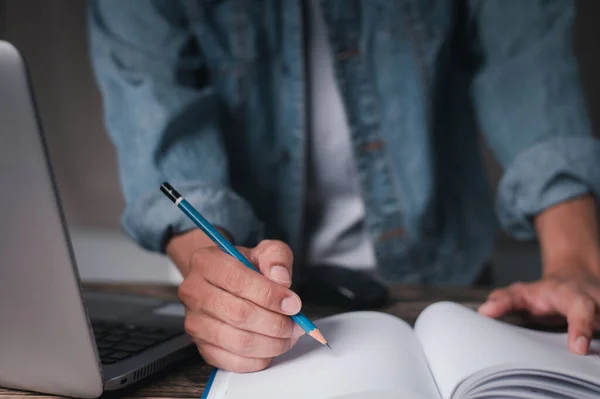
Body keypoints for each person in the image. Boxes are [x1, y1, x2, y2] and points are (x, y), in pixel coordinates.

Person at [88, 0, 600, 372]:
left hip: (447, 277)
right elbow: (153, 103)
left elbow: (526, 58)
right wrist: (219, 274)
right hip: (261, 281)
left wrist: (574, 260)